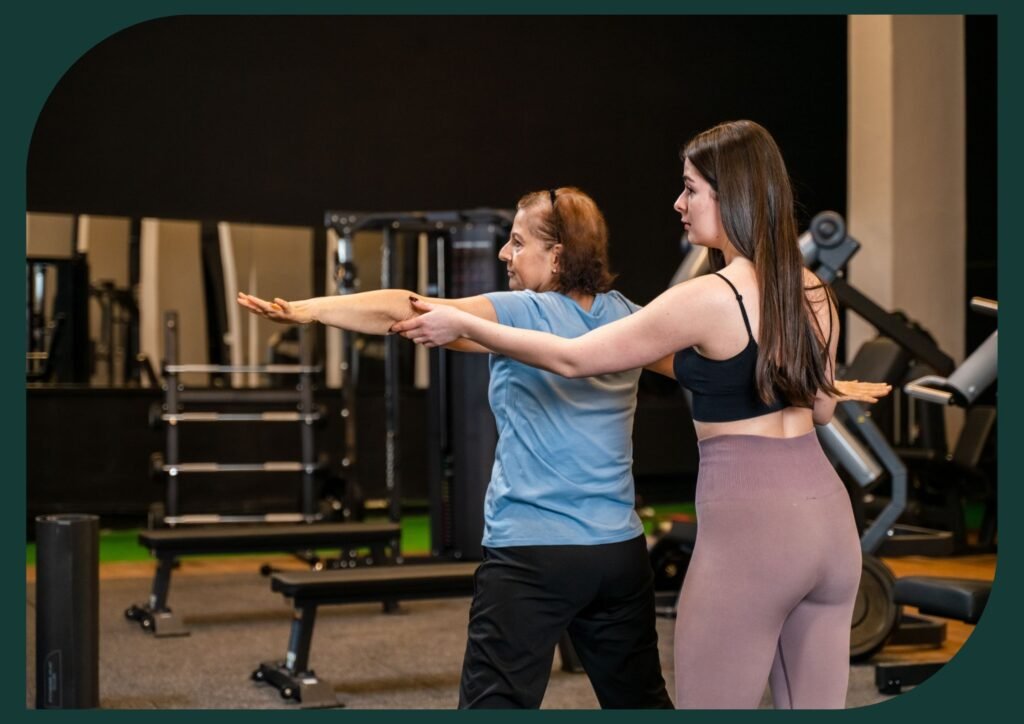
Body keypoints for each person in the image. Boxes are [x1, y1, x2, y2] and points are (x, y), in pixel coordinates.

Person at [391, 121, 867, 709]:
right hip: (830, 527)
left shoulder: (707, 296)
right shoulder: (814, 292)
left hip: (755, 536)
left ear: (733, 194)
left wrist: (465, 324)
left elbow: (572, 359)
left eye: (691, 189)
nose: (678, 203)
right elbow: (820, 409)